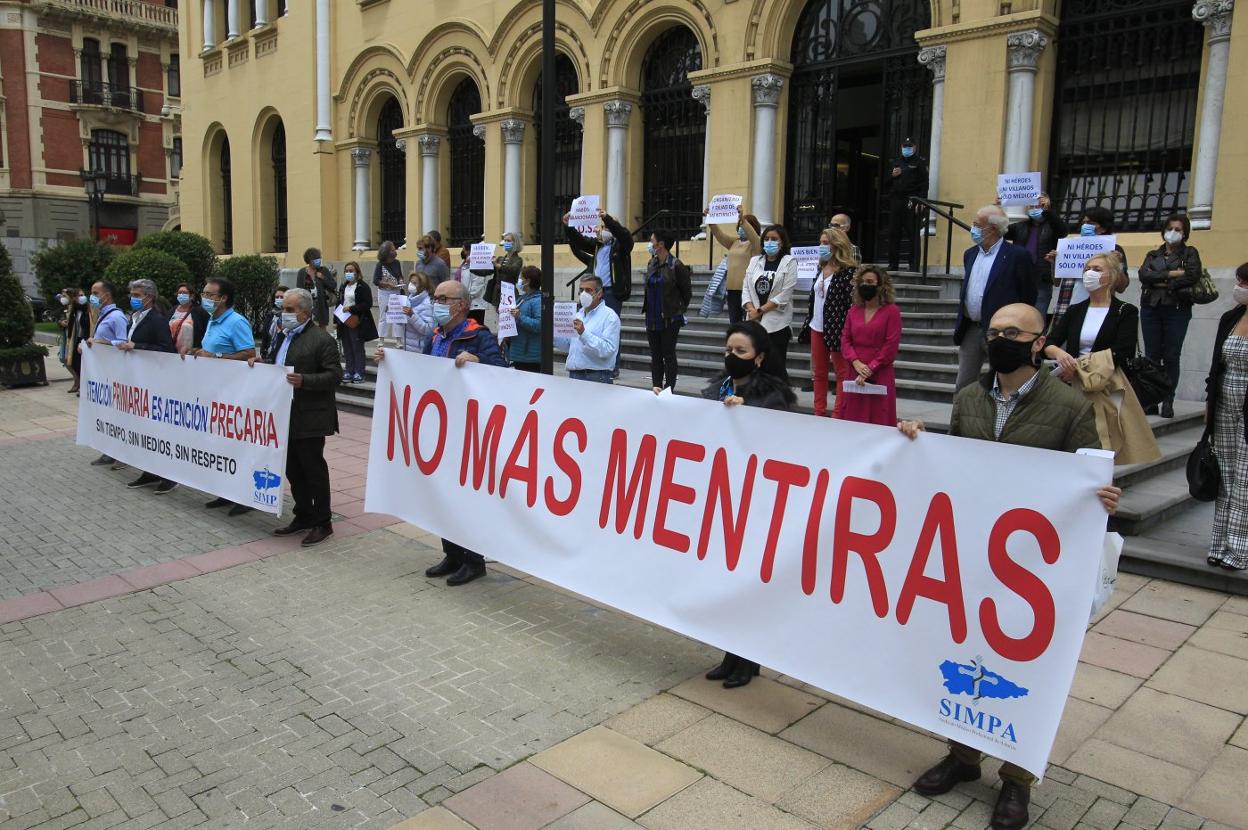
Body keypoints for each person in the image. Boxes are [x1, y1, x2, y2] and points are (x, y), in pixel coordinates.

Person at [899, 302, 1121, 830]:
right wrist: (916, 443)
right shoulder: (970, 398)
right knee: (963, 652)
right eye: (993, 331)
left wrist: (1103, 496)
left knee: (1025, 671)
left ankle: (1017, 781)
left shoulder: (1068, 405)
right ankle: (963, 756)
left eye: (1011, 333)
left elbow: (1087, 473)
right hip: (974, 553)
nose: (999, 339)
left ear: (1038, 342)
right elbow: (955, 464)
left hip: (1033, 568)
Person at [375, 280, 506, 586]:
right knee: (442, 494)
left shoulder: (479, 336)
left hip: (466, 430)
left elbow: (501, 372)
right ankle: (453, 553)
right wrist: (391, 362)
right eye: (435, 298)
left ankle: (474, 560)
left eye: (442, 299)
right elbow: (420, 370)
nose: (436, 303)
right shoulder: (435, 336)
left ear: (460, 304)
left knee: (465, 498)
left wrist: (479, 362)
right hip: (439, 428)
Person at [701, 320, 796, 689]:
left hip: (756, 503)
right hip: (723, 497)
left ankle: (748, 659)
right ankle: (730, 654)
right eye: (728, 350)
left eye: (740, 352)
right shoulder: (716, 390)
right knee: (725, 578)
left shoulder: (773, 397)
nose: (732, 357)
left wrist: (749, 415)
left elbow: (778, 446)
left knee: (748, 582)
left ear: (758, 359)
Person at [260, 287, 340, 547]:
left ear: (305, 313)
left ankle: (323, 522)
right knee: (293, 469)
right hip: (285, 413)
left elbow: (334, 376)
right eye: (283, 309)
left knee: (313, 470)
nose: (284, 314)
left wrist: (305, 381)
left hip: (311, 416)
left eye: (290, 310)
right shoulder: (282, 336)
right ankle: (303, 514)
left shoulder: (321, 339)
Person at [194, 277, 258, 516]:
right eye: (204, 293)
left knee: (237, 447)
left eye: (210, 295)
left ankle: (244, 496)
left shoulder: (236, 321)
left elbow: (249, 353)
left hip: (235, 395)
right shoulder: (213, 320)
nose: (206, 298)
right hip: (216, 393)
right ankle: (226, 492)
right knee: (221, 445)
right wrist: (199, 352)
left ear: (223, 299)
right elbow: (212, 350)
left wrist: (218, 359)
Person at [954, 205, 1037, 391]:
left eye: (977, 224)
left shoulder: (1017, 255)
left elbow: (1028, 294)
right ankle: (961, 419)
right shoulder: (970, 254)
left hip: (1002, 331)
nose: (973, 229)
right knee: (964, 383)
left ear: (991, 228)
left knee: (1003, 381)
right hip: (971, 327)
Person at [116, 279, 179, 495]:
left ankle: (168, 476)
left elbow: (166, 349)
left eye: (137, 295)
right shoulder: (133, 318)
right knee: (142, 429)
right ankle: (149, 471)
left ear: (149, 297)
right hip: (138, 383)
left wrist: (138, 346)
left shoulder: (157, 319)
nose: (132, 298)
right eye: (131, 294)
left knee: (158, 431)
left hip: (155, 383)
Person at [1206, 264, 1248, 571]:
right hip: (1224, 404)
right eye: (1239, 281)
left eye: (1245, 282)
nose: (1239, 286)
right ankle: (1219, 544)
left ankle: (1240, 548)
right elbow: (1215, 365)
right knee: (1225, 473)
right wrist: (1210, 402)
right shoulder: (1230, 317)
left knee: (1244, 478)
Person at [1138, 213, 1200, 418]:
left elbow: (1192, 275)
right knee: (1152, 356)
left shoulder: (1189, 253)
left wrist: (1161, 280)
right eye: (1170, 228)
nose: (1173, 233)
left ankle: (1168, 399)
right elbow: (1143, 275)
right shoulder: (1153, 254)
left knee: (1171, 356)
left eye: (1178, 229)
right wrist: (1171, 274)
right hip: (1151, 307)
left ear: (1185, 233)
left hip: (1176, 308)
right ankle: (1151, 399)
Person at [1044, 254, 1139, 377]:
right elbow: (1048, 342)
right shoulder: (1074, 310)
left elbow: (1124, 351)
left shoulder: (1126, 311)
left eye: (1097, 269)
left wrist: (1081, 367)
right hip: (1074, 381)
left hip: (1108, 381)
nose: (1089, 273)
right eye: (1087, 269)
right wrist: (1058, 353)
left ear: (1111, 277)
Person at [840, 266, 902, 426]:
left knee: (879, 419)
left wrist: (871, 368)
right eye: (862, 282)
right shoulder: (853, 310)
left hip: (880, 374)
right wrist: (855, 362)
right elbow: (845, 340)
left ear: (881, 286)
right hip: (854, 373)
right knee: (852, 420)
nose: (865, 285)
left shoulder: (892, 311)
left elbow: (891, 345)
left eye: (870, 282)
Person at [807, 227, 857, 417]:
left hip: (837, 329)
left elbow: (850, 304)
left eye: (826, 243)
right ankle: (818, 411)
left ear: (837, 245)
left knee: (841, 373)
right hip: (817, 326)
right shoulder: (821, 267)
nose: (822, 246)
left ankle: (838, 414)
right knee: (818, 373)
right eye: (820, 242)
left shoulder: (848, 272)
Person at [743, 224, 798, 383]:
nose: (769, 242)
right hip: (754, 322)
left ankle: (780, 400)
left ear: (782, 242)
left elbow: (784, 294)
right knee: (755, 365)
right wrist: (750, 308)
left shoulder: (789, 262)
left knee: (776, 367)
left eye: (774, 239)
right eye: (766, 239)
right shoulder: (755, 261)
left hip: (777, 324)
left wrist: (759, 311)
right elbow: (746, 287)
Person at [643, 229, 693, 393]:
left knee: (668, 354)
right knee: (655, 355)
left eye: (652, 241)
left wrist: (678, 310)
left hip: (669, 318)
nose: (650, 244)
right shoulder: (651, 263)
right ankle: (656, 385)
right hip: (652, 317)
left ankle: (669, 388)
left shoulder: (676, 265)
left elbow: (687, 293)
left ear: (661, 244)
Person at [1005, 192, 1068, 317]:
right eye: (1032, 206)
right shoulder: (1019, 226)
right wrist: (998, 208)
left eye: (1039, 206)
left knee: (1036, 317)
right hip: (1018, 277)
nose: (1035, 209)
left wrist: (1047, 211)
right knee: (1015, 316)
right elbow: (1000, 231)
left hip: (1041, 280)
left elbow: (1063, 231)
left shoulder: (1053, 225)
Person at [706, 205, 762, 326]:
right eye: (739, 225)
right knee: (735, 324)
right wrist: (711, 220)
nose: (741, 228)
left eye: (743, 225)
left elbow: (754, 237)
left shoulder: (756, 244)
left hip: (748, 291)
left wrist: (743, 219)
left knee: (748, 324)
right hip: (732, 291)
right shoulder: (734, 242)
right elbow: (720, 235)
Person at [559, 275, 620, 384]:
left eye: (588, 290)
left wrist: (584, 333)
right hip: (575, 374)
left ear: (599, 293)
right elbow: (569, 346)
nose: (583, 294)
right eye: (581, 290)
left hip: (596, 376)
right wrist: (553, 333)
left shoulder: (609, 316)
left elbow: (608, 350)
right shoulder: (578, 314)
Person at [886, 137, 928, 271]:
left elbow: (924, 184)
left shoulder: (919, 162)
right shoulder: (895, 162)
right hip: (896, 201)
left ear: (914, 148)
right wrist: (892, 175)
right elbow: (885, 183)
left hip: (912, 200)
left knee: (913, 234)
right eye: (905, 146)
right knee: (894, 233)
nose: (907, 149)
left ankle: (913, 265)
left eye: (909, 146)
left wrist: (922, 201)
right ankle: (893, 264)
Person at [336, 262, 378, 384]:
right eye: (346, 271)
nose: (348, 273)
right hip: (343, 321)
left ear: (357, 272)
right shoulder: (343, 286)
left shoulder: (362, 286)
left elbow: (367, 304)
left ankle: (359, 372)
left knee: (357, 347)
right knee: (347, 347)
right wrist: (336, 320)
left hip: (357, 321)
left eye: (351, 270)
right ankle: (349, 370)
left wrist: (351, 308)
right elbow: (339, 303)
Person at [508, 266, 543, 372]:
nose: (519, 281)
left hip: (530, 356)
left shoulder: (538, 301)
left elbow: (539, 325)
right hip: (519, 353)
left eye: (521, 278)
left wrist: (520, 317)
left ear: (527, 281)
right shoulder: (522, 298)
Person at [398, 271, 435, 354]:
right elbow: (402, 323)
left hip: (419, 350)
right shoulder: (409, 299)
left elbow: (428, 330)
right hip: (407, 347)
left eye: (414, 283)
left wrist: (412, 315)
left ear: (422, 286)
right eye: (411, 282)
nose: (411, 285)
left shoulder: (427, 303)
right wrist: (393, 313)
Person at [300, 247, 337, 327]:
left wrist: (323, 278)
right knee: (308, 330)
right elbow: (299, 290)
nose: (319, 260)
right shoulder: (302, 272)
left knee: (321, 330)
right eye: (316, 259)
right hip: (307, 307)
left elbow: (333, 285)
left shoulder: (323, 270)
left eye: (319, 258)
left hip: (321, 306)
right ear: (310, 260)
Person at [374, 240, 404, 339]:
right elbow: (376, 280)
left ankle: (398, 339)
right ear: (386, 252)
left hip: (396, 291)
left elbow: (399, 275)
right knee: (384, 315)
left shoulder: (397, 263)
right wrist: (387, 284)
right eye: (392, 250)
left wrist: (400, 280)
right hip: (384, 292)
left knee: (397, 315)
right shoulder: (380, 265)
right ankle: (381, 338)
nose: (394, 251)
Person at [169, 282, 209, 357]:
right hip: (172, 354)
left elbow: (205, 331)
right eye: (179, 293)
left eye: (184, 293)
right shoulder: (172, 310)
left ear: (192, 296)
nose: (181, 295)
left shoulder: (199, 312)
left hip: (192, 355)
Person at [63, 288, 90, 393]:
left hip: (85, 338)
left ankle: (83, 386)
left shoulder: (88, 309)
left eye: (82, 295)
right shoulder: (75, 310)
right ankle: (80, 382)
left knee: (82, 363)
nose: (81, 297)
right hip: (76, 338)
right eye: (79, 296)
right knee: (74, 362)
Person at [488, 231, 524, 307]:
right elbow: (488, 271)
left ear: (515, 243)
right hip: (498, 294)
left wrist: (499, 266)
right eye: (505, 240)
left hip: (509, 293)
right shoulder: (500, 259)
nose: (506, 242)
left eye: (508, 241)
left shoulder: (518, 259)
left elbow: (513, 270)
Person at [458, 244, 490, 324]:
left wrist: (467, 298)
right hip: (466, 303)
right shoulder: (465, 264)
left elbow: (477, 286)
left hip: (476, 305)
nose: (462, 252)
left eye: (464, 249)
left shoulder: (478, 265)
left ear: (469, 251)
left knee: (475, 327)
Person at [258, 285, 288, 363]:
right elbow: (265, 335)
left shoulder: (290, 317)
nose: (279, 299)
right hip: (267, 355)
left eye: (282, 297)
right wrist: (263, 351)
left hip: (281, 356)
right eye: (277, 297)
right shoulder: (270, 315)